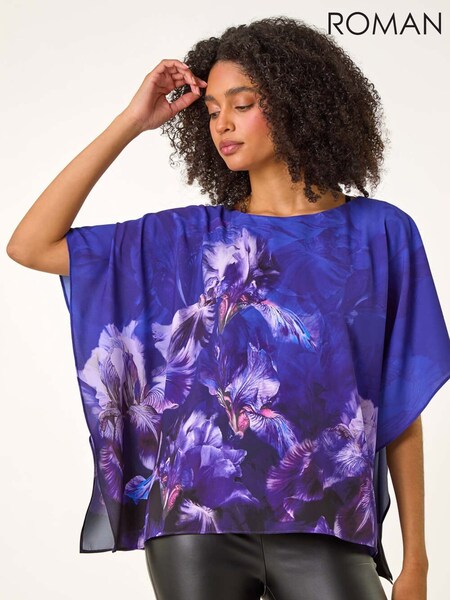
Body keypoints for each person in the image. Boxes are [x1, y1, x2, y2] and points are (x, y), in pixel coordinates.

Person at [6, 15, 450, 600]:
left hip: (325, 518)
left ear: (296, 103)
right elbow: (31, 245)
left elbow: (398, 405)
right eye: (212, 110)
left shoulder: (381, 233)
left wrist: (416, 559)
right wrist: (133, 121)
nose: (222, 124)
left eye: (241, 105)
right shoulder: (189, 239)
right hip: (197, 523)